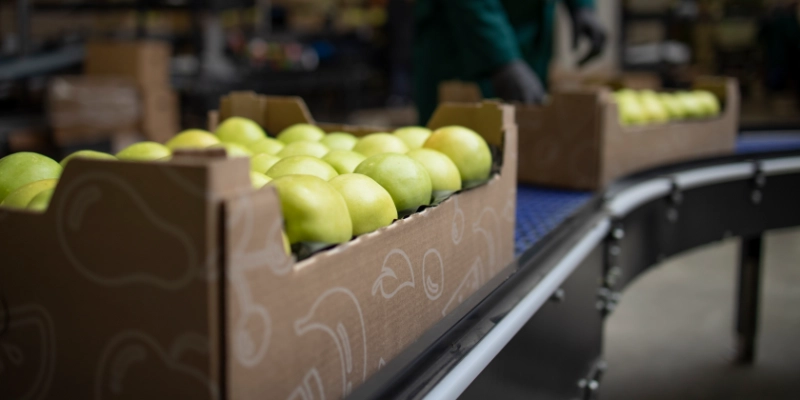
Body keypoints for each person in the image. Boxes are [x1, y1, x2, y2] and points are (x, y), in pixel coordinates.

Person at [413, 0, 606, 124]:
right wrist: (502, 58)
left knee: (523, 137)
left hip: (528, 36)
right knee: (453, 135)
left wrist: (581, 6)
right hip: (462, 36)